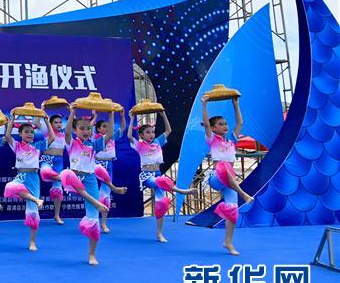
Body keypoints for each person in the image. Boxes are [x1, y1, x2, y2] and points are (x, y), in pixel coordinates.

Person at [127, 110, 192, 242]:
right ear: (141, 135)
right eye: (148, 132)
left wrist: (163, 115)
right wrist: (132, 118)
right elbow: (129, 136)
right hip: (147, 176)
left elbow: (168, 131)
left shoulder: (157, 142)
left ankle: (159, 233)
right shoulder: (139, 145)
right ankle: (180, 190)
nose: (151, 134)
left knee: (161, 204)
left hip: (158, 174)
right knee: (161, 181)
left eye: (152, 132)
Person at [59, 106, 111, 265]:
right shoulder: (71, 143)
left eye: (88, 128)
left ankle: (92, 254)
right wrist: (72, 113)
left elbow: (109, 134)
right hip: (73, 178)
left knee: (94, 219)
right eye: (81, 128)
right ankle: (95, 202)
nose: (86, 131)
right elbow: (66, 132)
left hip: (89, 180)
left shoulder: (93, 145)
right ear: (75, 130)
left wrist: (111, 113)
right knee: (66, 174)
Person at [201, 95, 251, 255]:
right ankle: (243, 194)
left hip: (229, 181)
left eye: (225, 124)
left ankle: (228, 242)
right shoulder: (211, 139)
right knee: (224, 166)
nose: (225, 126)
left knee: (233, 211)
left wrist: (236, 104)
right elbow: (206, 124)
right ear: (213, 128)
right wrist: (204, 105)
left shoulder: (230, 140)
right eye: (220, 124)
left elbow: (240, 123)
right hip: (216, 177)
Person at [2, 116, 45, 251]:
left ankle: (32, 242)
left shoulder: (38, 146)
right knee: (10, 187)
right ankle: (36, 199)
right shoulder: (17, 145)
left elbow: (51, 138)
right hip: (21, 176)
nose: (29, 134)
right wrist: (12, 119)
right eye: (26, 132)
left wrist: (46, 121)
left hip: (33, 177)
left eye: (31, 132)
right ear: (20, 134)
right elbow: (7, 136)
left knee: (33, 211)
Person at [91, 111, 128, 233]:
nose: (107, 128)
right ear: (97, 129)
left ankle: (103, 223)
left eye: (108, 126)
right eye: (104, 126)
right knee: (93, 194)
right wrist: (95, 117)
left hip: (109, 166)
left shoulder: (112, 137)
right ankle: (92, 220)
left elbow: (123, 127)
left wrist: (121, 115)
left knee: (106, 196)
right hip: (95, 165)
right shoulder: (93, 137)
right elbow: (88, 128)